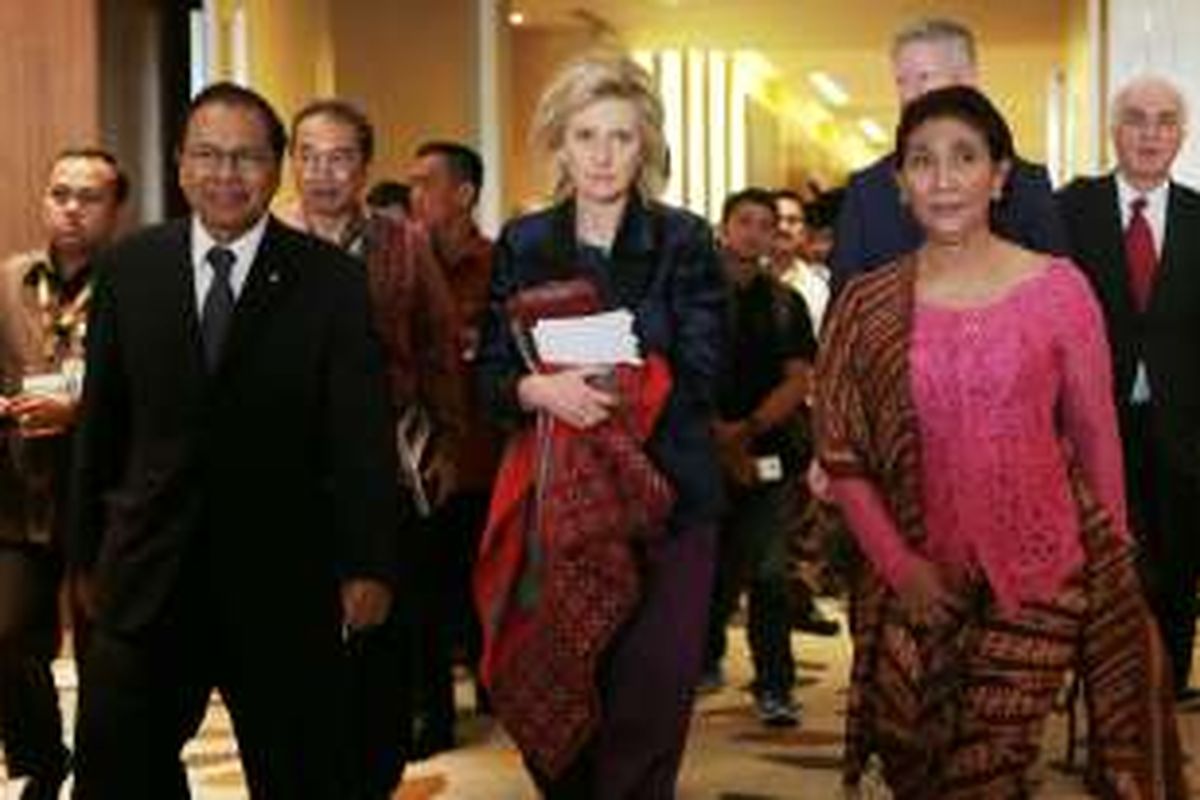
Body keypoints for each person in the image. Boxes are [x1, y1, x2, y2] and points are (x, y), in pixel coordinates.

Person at [814, 85, 1184, 797]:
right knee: (913, 762)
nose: (944, 179)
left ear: (1000, 175)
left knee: (987, 769)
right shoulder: (866, 304)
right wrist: (902, 569)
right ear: (900, 182)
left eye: (965, 158)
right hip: (910, 582)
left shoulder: (1058, 289)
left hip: (1041, 577)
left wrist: (1109, 574)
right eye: (922, 162)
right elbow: (843, 455)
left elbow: (1096, 434)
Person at [68, 82, 400, 799]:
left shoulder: (331, 282)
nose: (226, 175)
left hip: (286, 576)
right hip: (149, 570)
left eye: (247, 157)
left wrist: (370, 562)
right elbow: (103, 423)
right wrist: (85, 553)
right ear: (180, 165)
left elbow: (360, 436)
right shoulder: (130, 269)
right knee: (114, 768)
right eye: (208, 156)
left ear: (276, 168)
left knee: (308, 776)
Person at [474, 52, 725, 797]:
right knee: (560, 691)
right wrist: (541, 392)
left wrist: (602, 381)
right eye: (586, 136)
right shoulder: (524, 242)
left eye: (621, 136)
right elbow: (489, 375)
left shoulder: (684, 239)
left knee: (649, 704)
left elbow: (704, 373)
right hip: (555, 510)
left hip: (668, 502)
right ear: (561, 143)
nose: (604, 154)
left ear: (644, 144)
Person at [286, 97, 464, 791]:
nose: (323, 173)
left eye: (340, 157)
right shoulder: (267, 237)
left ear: (364, 166)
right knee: (300, 630)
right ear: (292, 161)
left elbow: (439, 348)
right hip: (291, 467)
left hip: (389, 461)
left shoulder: (401, 243)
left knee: (382, 625)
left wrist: (447, 442)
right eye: (309, 156)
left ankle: (374, 767)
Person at [1057, 75, 1200, 701]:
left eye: (1165, 121)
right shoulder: (1070, 210)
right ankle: (1103, 688)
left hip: (1182, 430)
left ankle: (1165, 687)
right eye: (1136, 119)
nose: (1150, 133)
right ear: (1114, 131)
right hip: (1090, 423)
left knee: (1176, 562)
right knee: (1102, 563)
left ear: (1182, 135)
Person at [0, 147, 126, 800]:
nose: (71, 208)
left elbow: (153, 394)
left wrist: (77, 409)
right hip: (20, 495)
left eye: (89, 196)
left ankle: (103, 778)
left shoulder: (138, 283)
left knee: (106, 651)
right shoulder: (9, 281)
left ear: (116, 209)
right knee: (8, 633)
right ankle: (43, 758)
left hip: (105, 497)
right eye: (60, 194)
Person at [829, 16, 1064, 288]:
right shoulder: (867, 190)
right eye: (901, 82)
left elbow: (1055, 293)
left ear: (967, 80)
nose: (909, 95)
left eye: (924, 77)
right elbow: (844, 306)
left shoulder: (1026, 183)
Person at [703, 188, 816, 727]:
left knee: (770, 572)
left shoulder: (785, 303)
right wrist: (718, 438)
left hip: (768, 452)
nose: (753, 232)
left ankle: (775, 683)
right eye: (743, 221)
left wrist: (745, 432)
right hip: (699, 453)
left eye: (764, 224)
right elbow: (677, 373)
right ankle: (701, 661)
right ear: (724, 229)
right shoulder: (695, 296)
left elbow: (799, 380)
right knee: (710, 569)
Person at [407, 140, 500, 753]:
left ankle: (497, 689)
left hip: (485, 456)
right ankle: (431, 716)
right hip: (417, 456)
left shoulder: (498, 266)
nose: (414, 195)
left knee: (484, 587)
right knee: (423, 593)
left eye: (426, 183)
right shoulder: (403, 264)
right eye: (409, 183)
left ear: (463, 193)